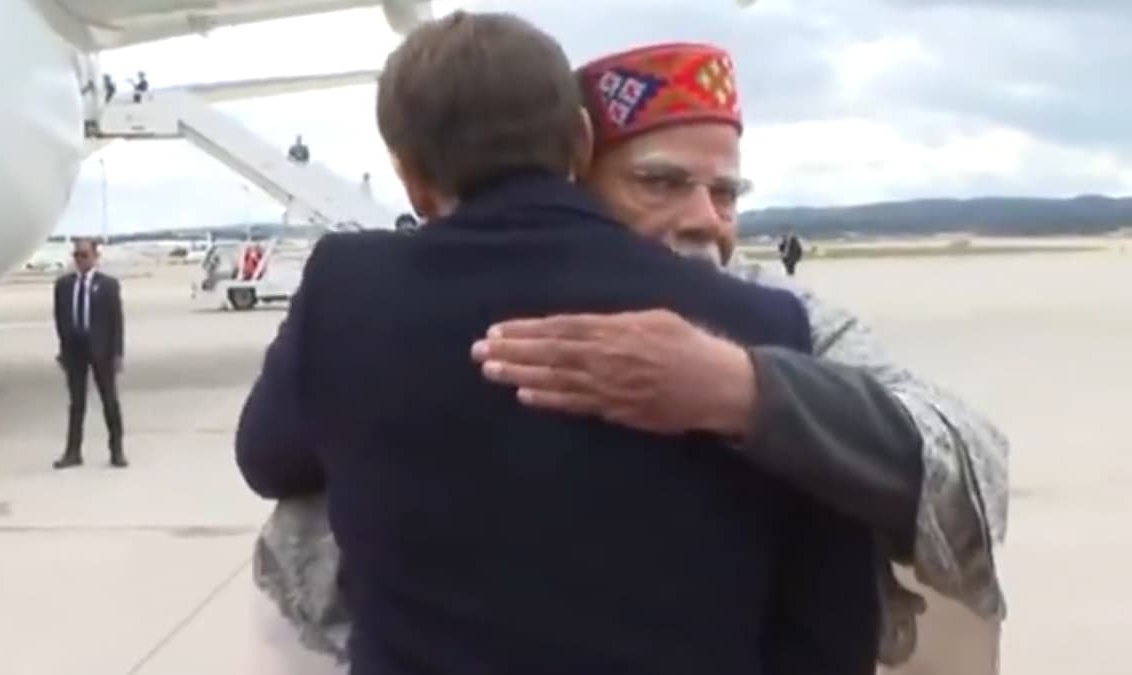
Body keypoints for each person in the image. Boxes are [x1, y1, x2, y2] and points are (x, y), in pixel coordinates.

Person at [253, 37, 1009, 674]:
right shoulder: (437, 311)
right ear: (576, 168)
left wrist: (748, 391)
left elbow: (968, 464)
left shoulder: (787, 317)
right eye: (661, 182)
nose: (704, 221)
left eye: (727, 193)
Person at [53, 238, 127, 469]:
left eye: (84, 255)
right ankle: (73, 452)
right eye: (76, 255)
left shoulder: (108, 285)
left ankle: (116, 451)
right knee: (76, 404)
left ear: (95, 257)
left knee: (109, 402)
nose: (80, 260)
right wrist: (63, 350)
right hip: (75, 350)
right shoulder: (64, 285)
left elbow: (117, 321)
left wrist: (117, 354)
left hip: (101, 350)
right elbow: (60, 319)